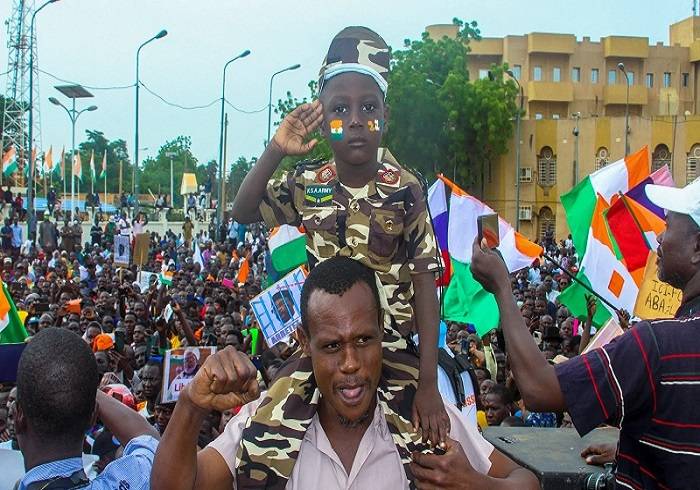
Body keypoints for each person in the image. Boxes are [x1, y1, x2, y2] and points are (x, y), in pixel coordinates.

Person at [230, 27, 448, 483]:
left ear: (385, 116)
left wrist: (428, 382)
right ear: (322, 116)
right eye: (339, 109)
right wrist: (276, 148)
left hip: (390, 352)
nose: (354, 120)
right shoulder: (308, 181)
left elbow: (427, 284)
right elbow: (243, 209)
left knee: (432, 460)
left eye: (368, 108)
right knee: (259, 451)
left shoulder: (406, 188)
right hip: (322, 352)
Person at [151, 257, 537, 489]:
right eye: (332, 346)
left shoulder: (423, 421)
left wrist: (476, 484)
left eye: (365, 340)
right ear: (304, 342)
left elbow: (527, 482)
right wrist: (190, 405)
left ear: (383, 330)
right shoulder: (264, 422)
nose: (351, 364)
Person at [470, 178, 700, 488]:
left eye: (669, 225)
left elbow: (539, 389)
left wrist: (501, 288)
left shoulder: (657, 345)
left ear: (697, 246)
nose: (659, 236)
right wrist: (632, 447)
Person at [13, 327, 160, 489]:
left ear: (17, 416)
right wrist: (80, 386)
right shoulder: (131, 481)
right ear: (93, 416)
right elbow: (151, 443)